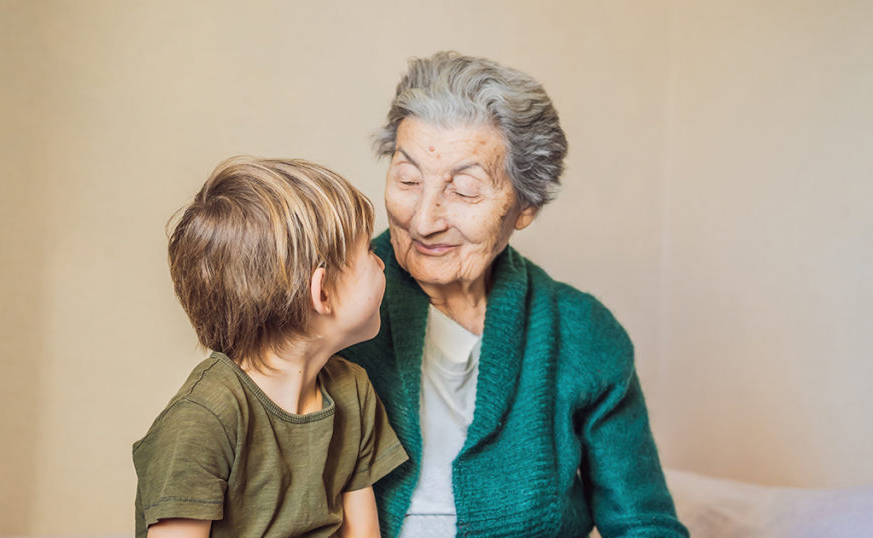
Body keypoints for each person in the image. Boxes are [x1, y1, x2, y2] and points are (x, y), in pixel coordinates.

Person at [341, 52, 689, 537]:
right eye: (408, 179)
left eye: (464, 191)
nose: (423, 220)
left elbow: (643, 523)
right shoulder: (324, 306)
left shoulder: (582, 332)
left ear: (526, 206)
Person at [132, 157, 408, 537]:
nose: (382, 264)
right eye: (368, 253)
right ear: (322, 291)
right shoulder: (202, 421)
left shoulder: (353, 391)